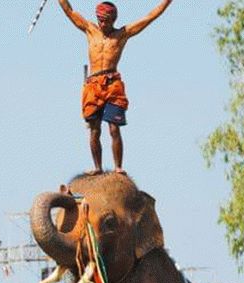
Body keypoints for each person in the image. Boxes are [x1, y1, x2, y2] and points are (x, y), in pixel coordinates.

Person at [58, 0, 173, 175]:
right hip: (93, 85)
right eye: (101, 20)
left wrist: (167, 2)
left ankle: (118, 166)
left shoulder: (122, 35)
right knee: (95, 130)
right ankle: (98, 167)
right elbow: (69, 11)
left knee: (114, 127)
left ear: (113, 20)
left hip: (112, 84)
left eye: (107, 21)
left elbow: (150, 16)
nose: (103, 24)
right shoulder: (90, 30)